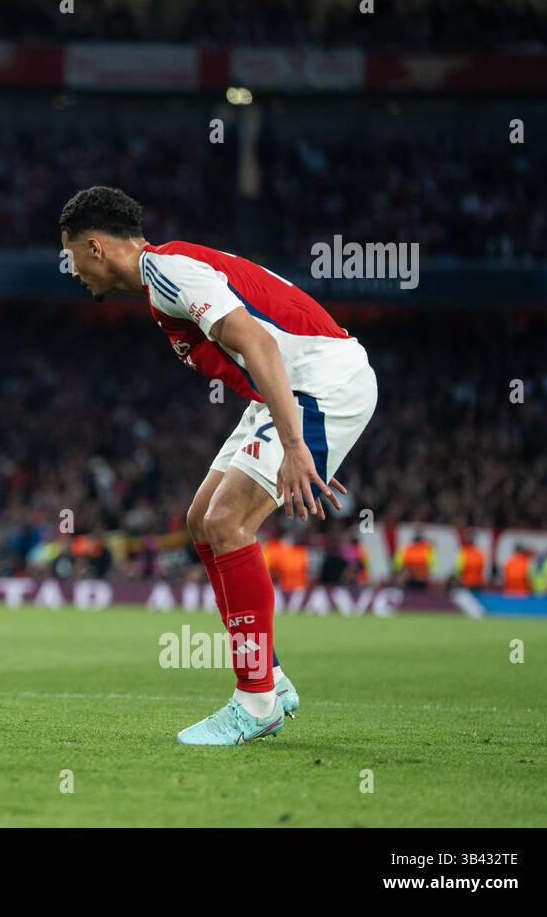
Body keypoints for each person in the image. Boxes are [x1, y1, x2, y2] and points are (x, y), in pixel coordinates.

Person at [59, 186, 377, 745]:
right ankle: (270, 680)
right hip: (289, 389)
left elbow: (260, 344)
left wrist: (297, 445)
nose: (74, 270)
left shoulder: (167, 271)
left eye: (72, 256)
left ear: (95, 247)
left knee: (229, 522)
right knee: (202, 519)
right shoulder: (164, 279)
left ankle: (254, 702)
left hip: (319, 381)